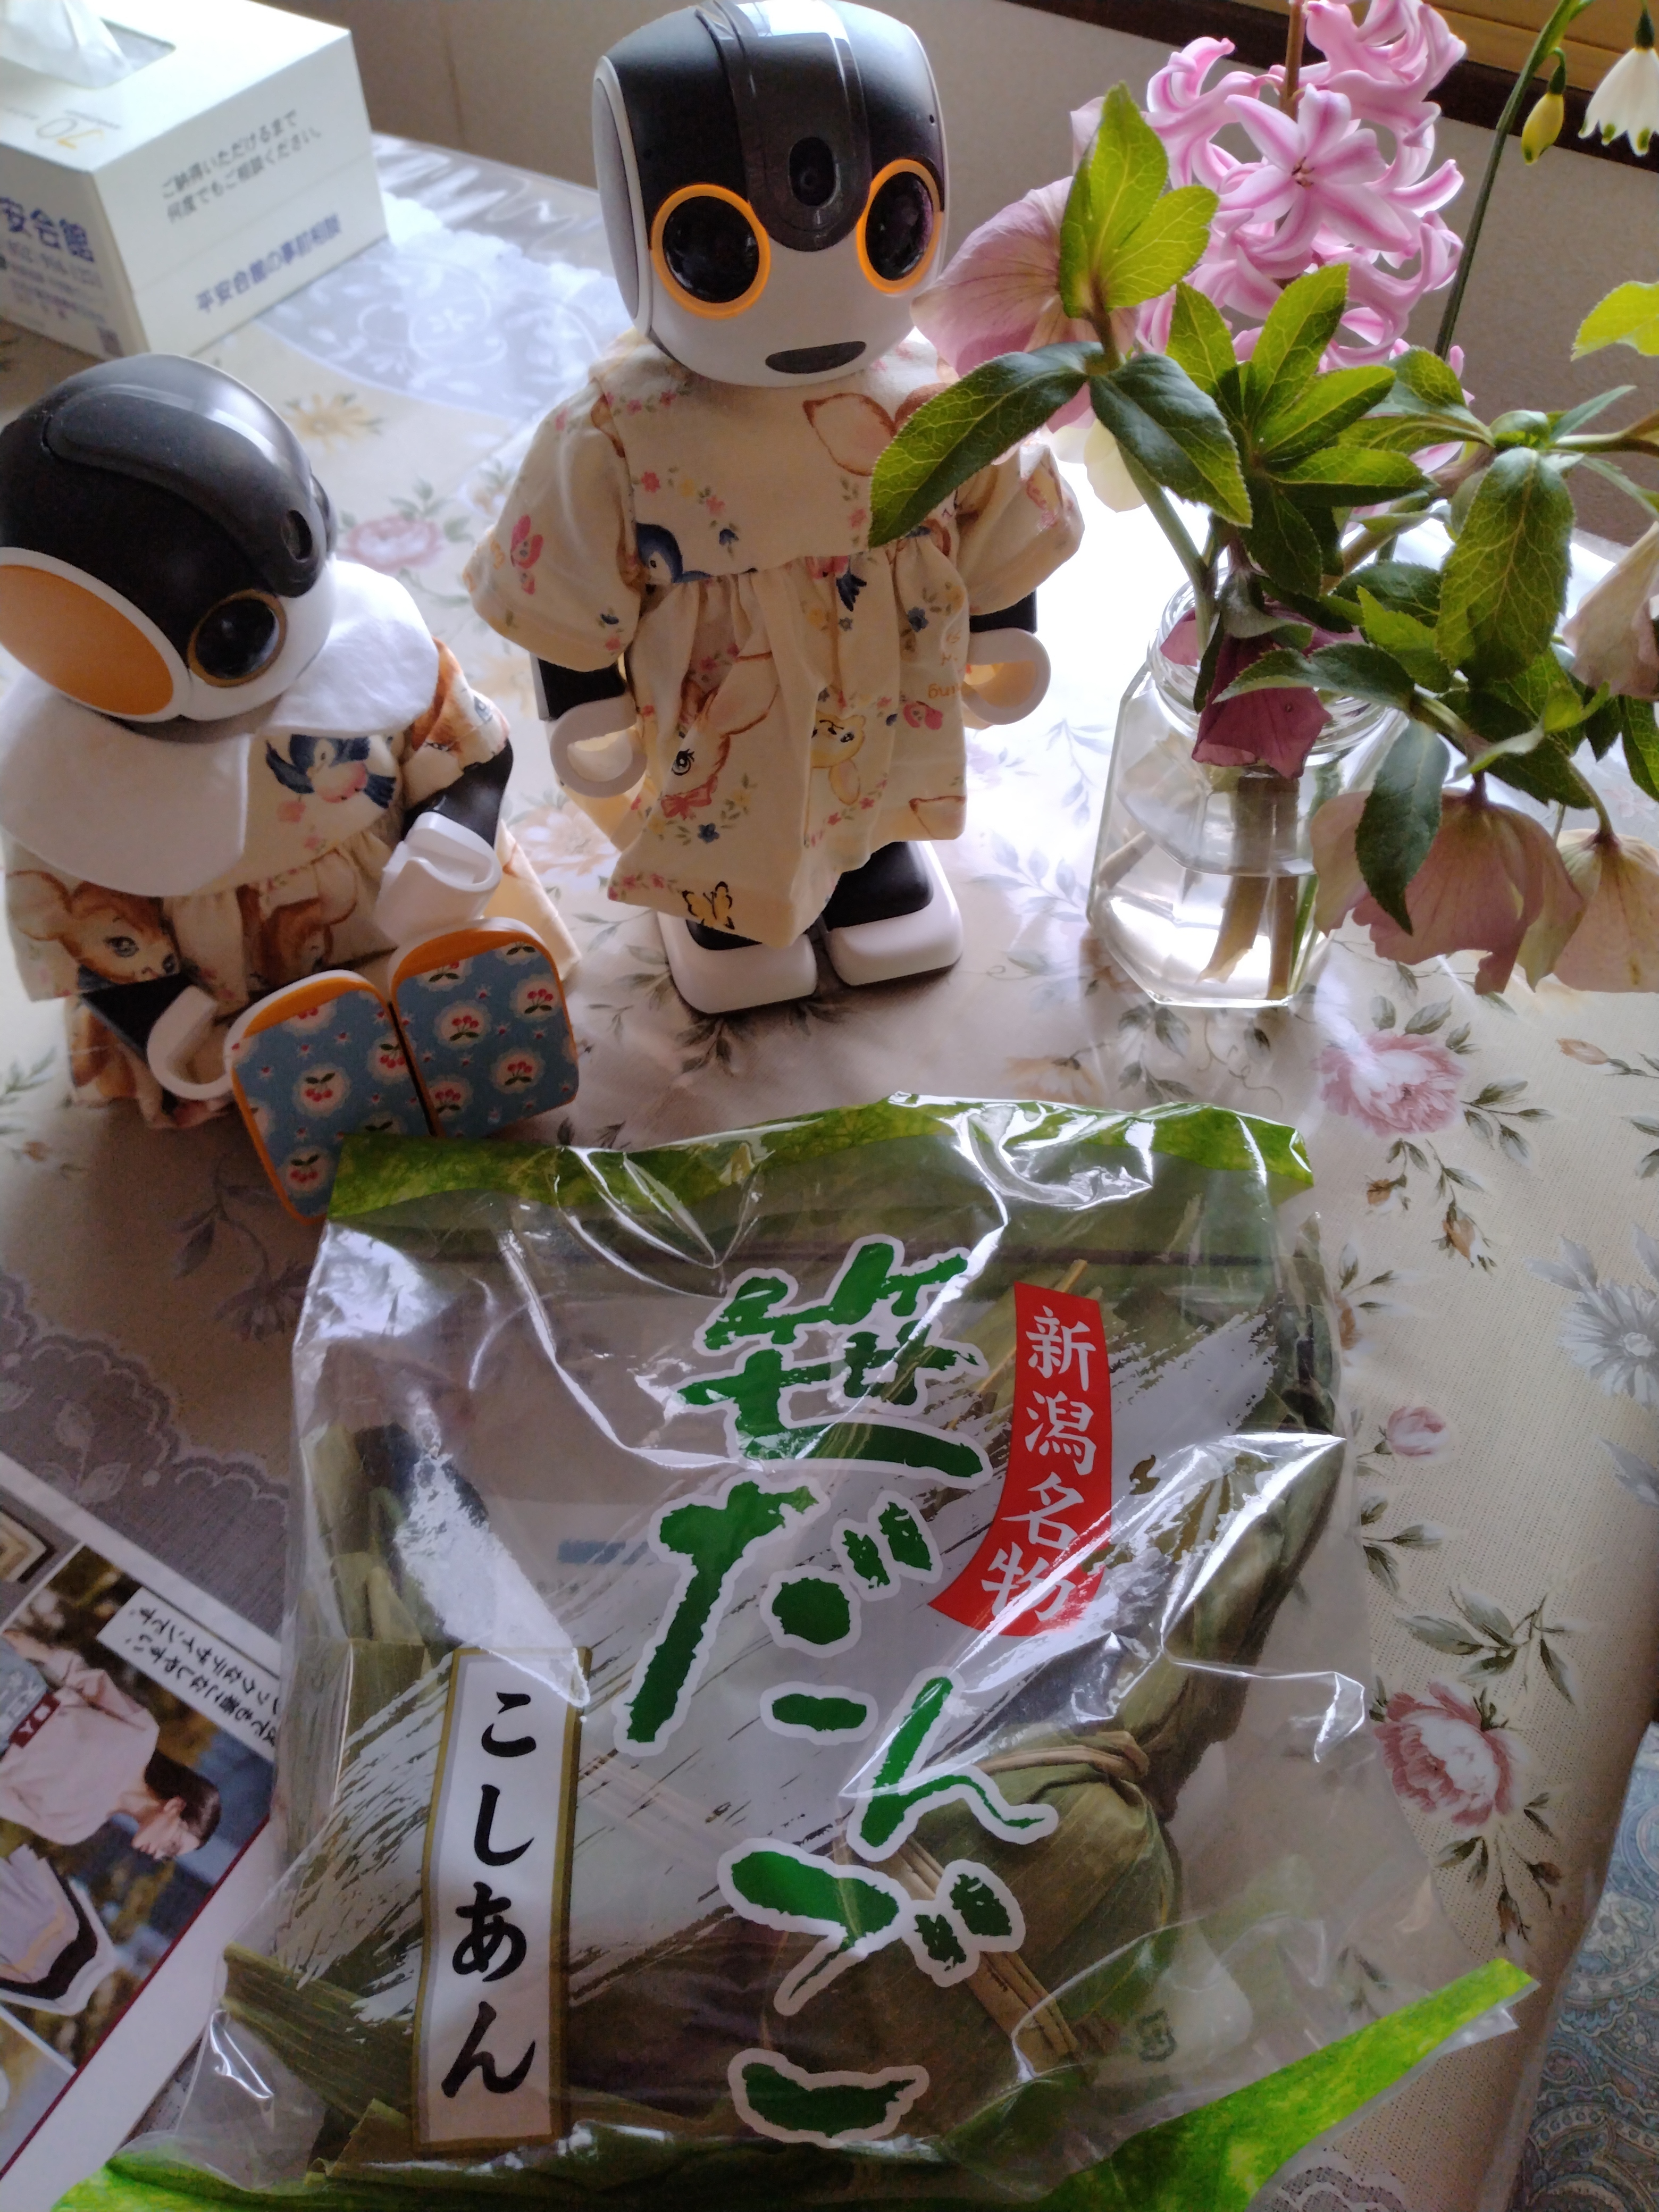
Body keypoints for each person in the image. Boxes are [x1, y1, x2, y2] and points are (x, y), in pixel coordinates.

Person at [0, 1627, 220, 1856]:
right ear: (175, 1806)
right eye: (173, 1845)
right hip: (18, 1688)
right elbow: (91, 1681)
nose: (158, 1855)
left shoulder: (72, 1831)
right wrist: (39, 1651)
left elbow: (5, 1803)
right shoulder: (142, 1736)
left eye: (167, 1857)